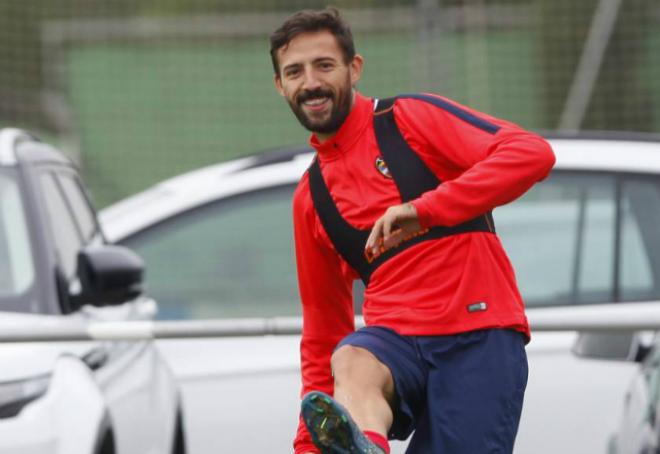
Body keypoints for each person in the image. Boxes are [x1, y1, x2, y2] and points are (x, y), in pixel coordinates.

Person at [269, 7, 555, 454]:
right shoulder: (310, 196)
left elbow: (531, 154)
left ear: (354, 68)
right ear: (280, 86)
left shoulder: (407, 119)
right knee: (349, 356)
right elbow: (323, 326)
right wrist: (308, 445)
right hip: (394, 343)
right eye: (294, 72)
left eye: (324, 65)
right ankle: (365, 446)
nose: (311, 83)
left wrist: (424, 211)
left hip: (478, 336)